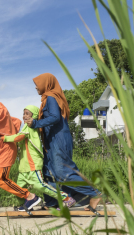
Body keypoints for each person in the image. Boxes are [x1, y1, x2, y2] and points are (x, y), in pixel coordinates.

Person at [26, 73, 102, 214]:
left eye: (37, 84)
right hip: (51, 140)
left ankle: (94, 193)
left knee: (61, 172)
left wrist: (36, 123)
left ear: (46, 83)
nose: (36, 87)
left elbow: (55, 117)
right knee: (48, 172)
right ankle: (53, 202)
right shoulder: (47, 99)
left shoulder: (51, 98)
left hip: (59, 139)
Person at [1, 105, 77, 210]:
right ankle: (25, 204)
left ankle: (67, 198)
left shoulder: (30, 126)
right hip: (23, 167)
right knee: (17, 189)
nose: (24, 116)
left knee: (40, 185)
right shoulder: (26, 127)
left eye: (27, 113)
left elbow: (19, 137)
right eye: (24, 113)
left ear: (34, 115)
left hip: (32, 164)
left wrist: (4, 138)